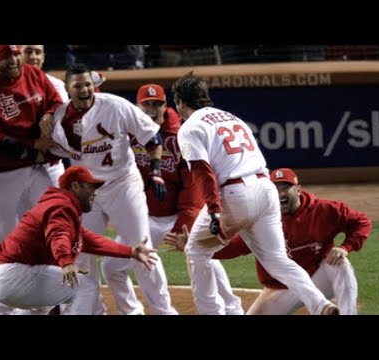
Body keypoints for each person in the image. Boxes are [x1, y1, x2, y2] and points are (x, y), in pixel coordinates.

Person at [172, 72, 339, 315]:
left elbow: (203, 172)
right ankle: (320, 304)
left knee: (196, 252)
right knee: (278, 260)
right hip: (265, 188)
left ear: (180, 102)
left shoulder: (190, 127)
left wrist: (215, 210)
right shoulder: (233, 118)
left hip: (234, 196)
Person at [44, 63, 176, 315]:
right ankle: (95, 311)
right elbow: (51, 150)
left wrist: (156, 172)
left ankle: (164, 312)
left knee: (143, 248)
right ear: (68, 89)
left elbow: (153, 138)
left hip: (122, 183)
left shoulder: (115, 105)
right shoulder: (60, 119)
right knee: (81, 254)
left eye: (87, 84)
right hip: (86, 193)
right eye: (78, 85)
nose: (84, 89)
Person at [0, 45, 63, 315]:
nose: (13, 60)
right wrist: (36, 147)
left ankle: (47, 304)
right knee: (4, 243)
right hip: (2, 174)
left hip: (37, 168)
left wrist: (47, 114)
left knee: (51, 228)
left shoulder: (32, 73)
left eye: (15, 54)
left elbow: (55, 101)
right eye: (5, 57)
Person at [133, 83, 243, 315]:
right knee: (138, 258)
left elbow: (193, 187)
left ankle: (232, 308)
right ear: (137, 106)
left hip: (180, 213)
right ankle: (164, 312)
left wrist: (184, 223)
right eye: (146, 104)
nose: (151, 108)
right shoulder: (130, 133)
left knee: (202, 255)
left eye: (157, 104)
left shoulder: (180, 136)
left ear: (167, 105)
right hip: (146, 215)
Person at [0, 166, 157, 315]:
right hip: (13, 274)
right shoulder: (62, 206)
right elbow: (58, 234)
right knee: (86, 287)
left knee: (41, 306)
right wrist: (66, 262)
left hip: (6, 276)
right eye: (90, 187)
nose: (94, 193)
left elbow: (92, 241)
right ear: (76, 186)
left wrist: (132, 252)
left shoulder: (60, 206)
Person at [209, 168, 371, 315]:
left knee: (340, 264)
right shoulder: (261, 222)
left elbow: (361, 222)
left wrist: (345, 247)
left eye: (285, 188)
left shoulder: (324, 210)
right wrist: (193, 246)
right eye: (275, 189)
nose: (280, 194)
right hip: (283, 289)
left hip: (319, 279)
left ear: (298, 189)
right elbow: (233, 248)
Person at [20, 44, 68, 188]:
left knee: (55, 208)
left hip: (50, 163)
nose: (33, 56)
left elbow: (62, 121)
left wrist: (50, 113)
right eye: (28, 51)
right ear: (18, 55)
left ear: (44, 57)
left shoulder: (57, 85)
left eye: (38, 52)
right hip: (17, 164)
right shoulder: (6, 85)